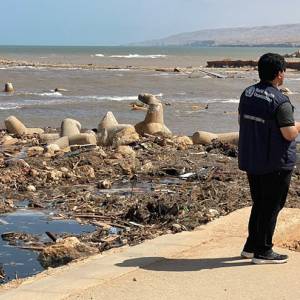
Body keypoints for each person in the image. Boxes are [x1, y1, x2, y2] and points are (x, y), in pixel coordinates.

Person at [238, 53, 300, 264]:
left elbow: (242, 120)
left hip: (252, 157)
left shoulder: (247, 93)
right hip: (276, 162)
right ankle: (264, 251)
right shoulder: (281, 101)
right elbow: (289, 133)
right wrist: (298, 125)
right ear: (279, 74)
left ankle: (251, 246)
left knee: (260, 203)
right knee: (272, 206)